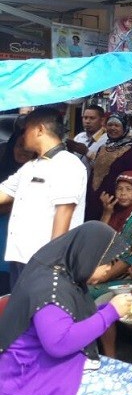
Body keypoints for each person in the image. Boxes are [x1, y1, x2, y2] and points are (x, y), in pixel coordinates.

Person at [0, 221, 132, 395]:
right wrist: (110, 313)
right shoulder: (50, 288)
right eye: (106, 262)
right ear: (87, 257)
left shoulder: (66, 276)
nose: (108, 269)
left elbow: (67, 321)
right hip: (30, 378)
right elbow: (58, 343)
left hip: (57, 366)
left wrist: (107, 310)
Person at [0, 107, 87, 289]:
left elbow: (64, 215)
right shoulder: (31, 167)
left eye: (26, 131)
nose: (23, 136)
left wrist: (52, 266)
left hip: (44, 263)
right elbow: (3, 193)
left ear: (39, 129)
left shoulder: (68, 165)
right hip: (21, 258)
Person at [92, 171, 132, 368]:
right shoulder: (117, 213)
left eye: (129, 190)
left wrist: (102, 276)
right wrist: (107, 212)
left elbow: (129, 259)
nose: (123, 194)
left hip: (131, 276)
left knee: (91, 293)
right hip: (108, 272)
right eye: (120, 189)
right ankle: (110, 359)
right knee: (92, 296)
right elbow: (99, 241)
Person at [85, 111, 132, 222]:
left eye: (117, 125)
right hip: (94, 200)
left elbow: (130, 179)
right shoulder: (102, 148)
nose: (112, 128)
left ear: (125, 127)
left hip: (114, 202)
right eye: (110, 125)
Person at [0, 120, 35, 294]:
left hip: (21, 237)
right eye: (18, 146)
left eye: (26, 147)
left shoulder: (37, 172)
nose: (22, 151)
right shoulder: (4, 171)